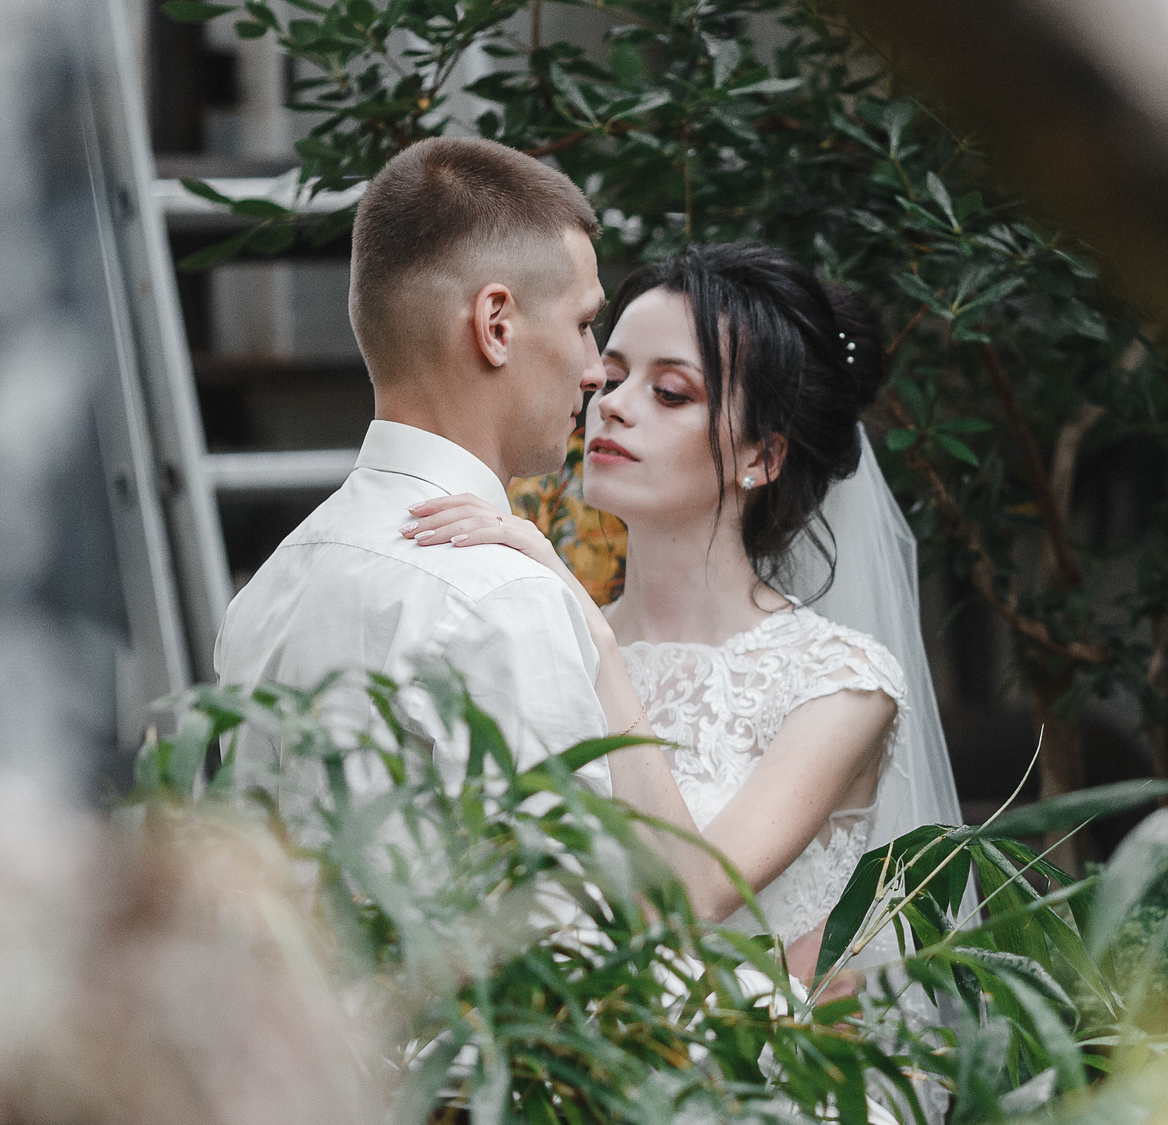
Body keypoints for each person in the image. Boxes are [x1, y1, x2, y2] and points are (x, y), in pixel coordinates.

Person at [399, 242, 959, 986]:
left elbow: (695, 897)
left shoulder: (844, 685)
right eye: (613, 377)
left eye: (669, 392)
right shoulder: (538, 640)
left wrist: (589, 632)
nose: (612, 405)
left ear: (761, 456)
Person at [213, 138, 611, 778]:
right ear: (496, 326)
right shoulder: (504, 597)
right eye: (584, 324)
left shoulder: (268, 588)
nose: (595, 370)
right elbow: (560, 846)